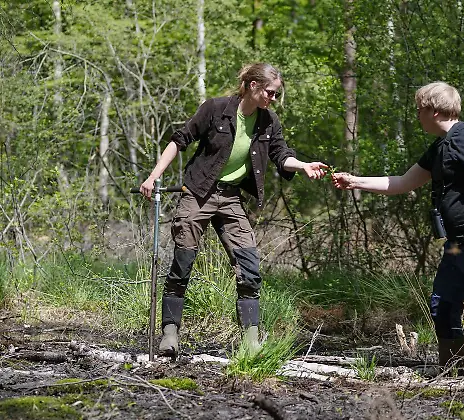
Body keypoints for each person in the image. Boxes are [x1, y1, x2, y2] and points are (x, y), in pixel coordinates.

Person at [140, 62, 328, 357]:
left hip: (230, 199)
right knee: (183, 263)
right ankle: (170, 335)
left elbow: (281, 155)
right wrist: (154, 177)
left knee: (249, 267)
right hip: (198, 193)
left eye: (276, 95)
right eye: (271, 92)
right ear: (253, 86)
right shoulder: (215, 109)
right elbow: (180, 140)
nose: (273, 99)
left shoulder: (269, 121)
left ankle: (251, 345)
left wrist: (303, 166)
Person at [332, 81, 464, 379]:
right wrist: (354, 181)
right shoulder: (440, 146)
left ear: (434, 110)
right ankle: (453, 375)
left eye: (419, 110)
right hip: (457, 243)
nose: (417, 115)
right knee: (443, 304)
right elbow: (402, 183)